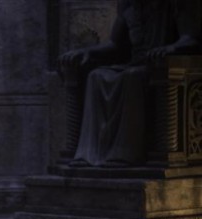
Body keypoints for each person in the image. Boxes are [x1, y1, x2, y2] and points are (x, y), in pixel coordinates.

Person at [60, 0, 200, 167]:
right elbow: (115, 44)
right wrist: (87, 51)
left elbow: (190, 39)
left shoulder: (178, 4)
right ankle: (88, 153)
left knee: (132, 77)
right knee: (96, 76)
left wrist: (171, 48)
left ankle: (124, 154)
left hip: (160, 67)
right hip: (135, 63)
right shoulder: (129, 5)